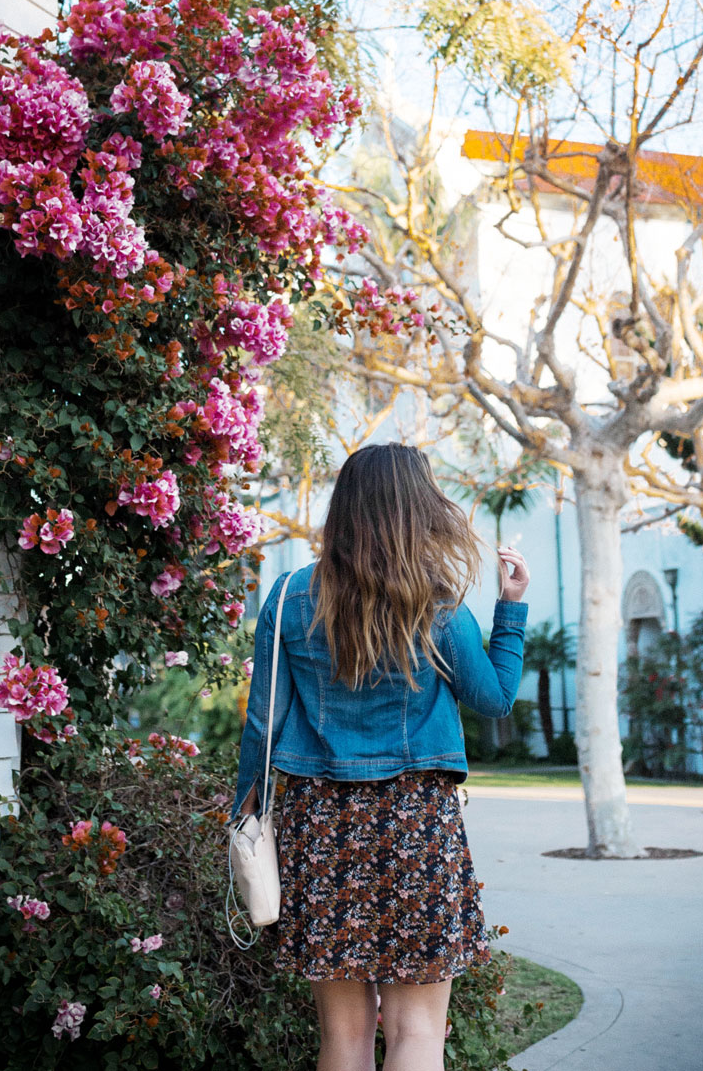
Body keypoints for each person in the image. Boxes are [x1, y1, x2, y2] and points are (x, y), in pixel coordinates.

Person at [231, 442, 530, 1071]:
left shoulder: (287, 598)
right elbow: (496, 698)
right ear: (415, 509)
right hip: (416, 823)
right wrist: (511, 609)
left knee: (343, 1039)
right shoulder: (437, 605)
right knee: (418, 1032)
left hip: (318, 829)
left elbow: (262, 725)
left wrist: (244, 815)